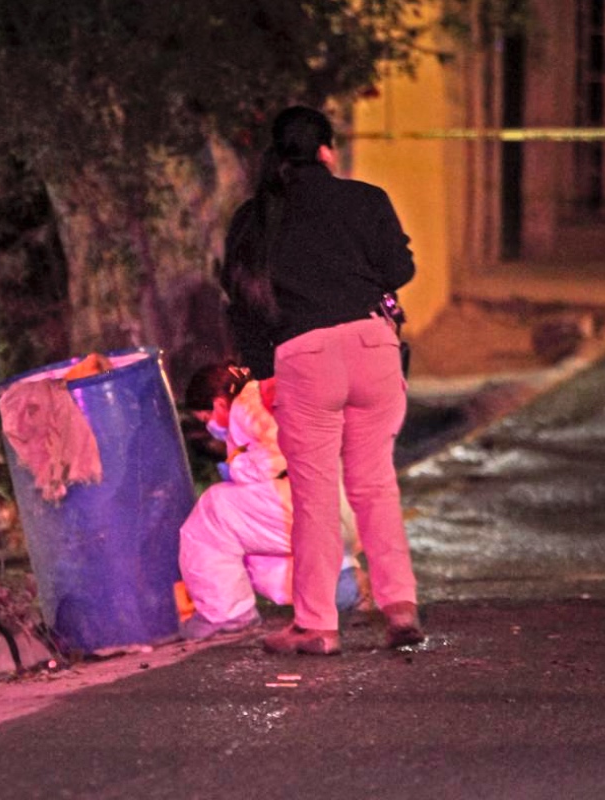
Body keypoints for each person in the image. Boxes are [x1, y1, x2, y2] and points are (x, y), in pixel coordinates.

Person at [222, 105, 422, 656]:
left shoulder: (253, 219)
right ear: (326, 151)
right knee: (375, 485)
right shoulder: (365, 199)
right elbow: (399, 270)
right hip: (372, 347)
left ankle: (317, 624)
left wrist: (264, 373)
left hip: (304, 359)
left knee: (314, 499)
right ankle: (400, 605)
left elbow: (241, 304)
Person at [178, 362, 367, 641]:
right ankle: (343, 589)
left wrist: (237, 469)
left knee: (212, 514)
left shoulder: (246, 406)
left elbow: (278, 454)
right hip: (342, 509)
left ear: (219, 403)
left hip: (303, 503)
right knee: (251, 547)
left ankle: (226, 615)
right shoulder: (276, 395)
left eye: (206, 417)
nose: (209, 426)